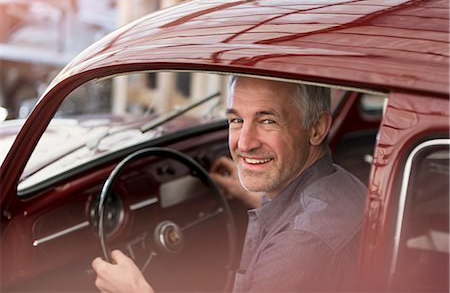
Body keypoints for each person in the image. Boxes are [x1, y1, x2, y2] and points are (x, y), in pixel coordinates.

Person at [92, 76, 367, 292]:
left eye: (268, 120)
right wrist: (254, 196)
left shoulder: (298, 247)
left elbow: (301, 236)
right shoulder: (340, 185)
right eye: (236, 120)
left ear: (317, 128)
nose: (244, 143)